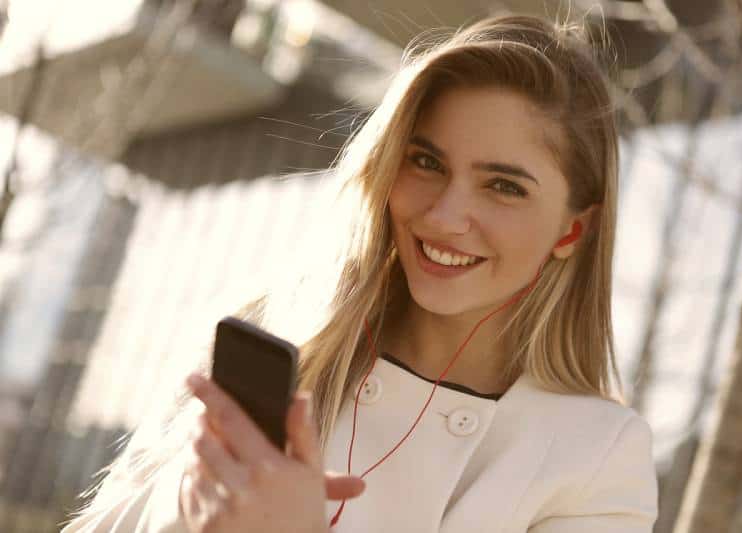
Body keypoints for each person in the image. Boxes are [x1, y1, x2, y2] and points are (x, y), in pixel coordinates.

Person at [60, 12, 659, 533]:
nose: (445, 215)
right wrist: (191, 506)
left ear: (572, 229)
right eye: (426, 162)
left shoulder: (596, 455)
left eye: (503, 186)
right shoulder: (275, 336)